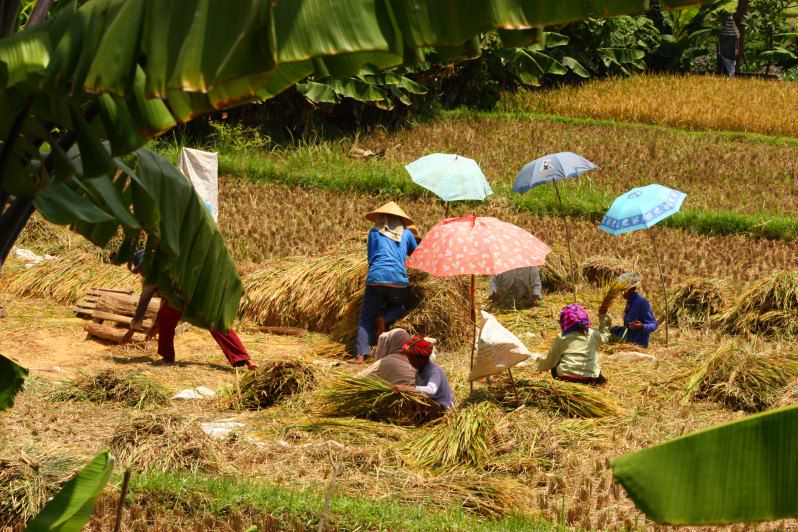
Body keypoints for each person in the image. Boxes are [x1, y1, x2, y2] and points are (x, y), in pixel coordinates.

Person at [121, 250, 258, 370]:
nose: (139, 272)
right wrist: (150, 325)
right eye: (138, 270)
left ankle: (244, 359)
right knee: (164, 318)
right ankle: (167, 357)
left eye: (140, 268)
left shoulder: (172, 266)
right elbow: (149, 302)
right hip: (177, 301)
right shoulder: (149, 280)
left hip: (198, 296)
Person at [354, 202, 419, 363]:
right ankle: (385, 318)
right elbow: (416, 256)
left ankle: (360, 355)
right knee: (401, 306)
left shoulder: (373, 233)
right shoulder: (407, 234)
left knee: (366, 317)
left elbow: (371, 259)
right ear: (400, 220)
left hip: (376, 278)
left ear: (381, 219)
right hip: (397, 279)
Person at [536, 302, 613, 385]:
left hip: (566, 377)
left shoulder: (562, 337)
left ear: (564, 320)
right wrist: (603, 316)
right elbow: (605, 334)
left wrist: (539, 364)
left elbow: (550, 361)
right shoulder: (594, 335)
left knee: (556, 364)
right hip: (590, 378)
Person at [392, 337, 456, 410]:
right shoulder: (418, 372)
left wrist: (406, 388)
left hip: (444, 408)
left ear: (422, 359)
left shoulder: (435, 370)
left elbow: (431, 390)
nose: (410, 362)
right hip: (432, 406)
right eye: (409, 358)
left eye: (412, 358)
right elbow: (421, 394)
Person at [610, 273, 658, 348]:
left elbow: (654, 325)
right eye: (621, 290)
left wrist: (642, 326)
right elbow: (628, 328)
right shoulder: (629, 302)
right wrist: (614, 329)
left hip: (636, 346)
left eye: (624, 290)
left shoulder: (641, 302)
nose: (622, 293)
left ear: (632, 289)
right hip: (626, 342)